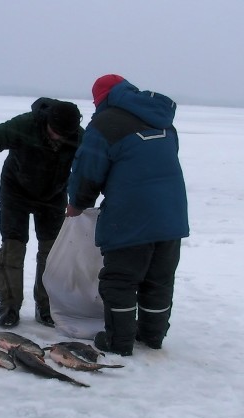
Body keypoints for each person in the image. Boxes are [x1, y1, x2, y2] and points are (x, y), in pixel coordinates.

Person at [66, 74, 189, 356]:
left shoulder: (105, 124)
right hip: (172, 214)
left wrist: (78, 203)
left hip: (131, 215)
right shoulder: (164, 119)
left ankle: (119, 342)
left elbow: (88, 169)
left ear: (101, 99)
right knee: (159, 279)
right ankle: (152, 336)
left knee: (120, 279)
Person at [0, 98, 84, 328]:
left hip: (54, 195)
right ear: (47, 121)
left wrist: (81, 201)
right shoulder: (25, 125)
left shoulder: (79, 137)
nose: (58, 138)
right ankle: (9, 306)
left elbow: (92, 169)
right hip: (15, 192)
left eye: (64, 135)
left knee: (52, 252)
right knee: (13, 249)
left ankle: (46, 307)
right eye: (55, 132)